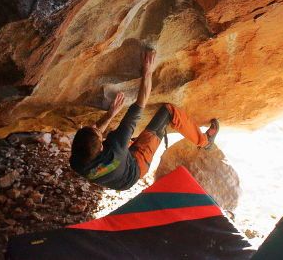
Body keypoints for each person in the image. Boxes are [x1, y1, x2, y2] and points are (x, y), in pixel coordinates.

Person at [69, 48, 219, 191]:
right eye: (96, 130)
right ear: (102, 147)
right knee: (168, 111)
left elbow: (94, 137)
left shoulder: (76, 162)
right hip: (136, 167)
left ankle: (132, 142)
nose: (96, 126)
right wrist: (147, 72)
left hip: (117, 173)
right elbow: (140, 103)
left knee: (115, 134)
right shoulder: (116, 146)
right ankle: (205, 141)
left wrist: (110, 114)